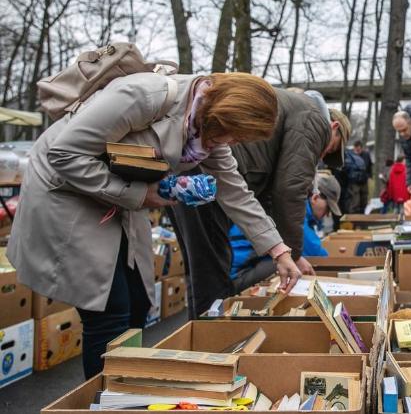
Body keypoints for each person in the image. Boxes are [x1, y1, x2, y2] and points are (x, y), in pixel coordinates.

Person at [7, 72, 300, 379]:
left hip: (115, 198)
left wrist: (278, 250)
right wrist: (140, 194)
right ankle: (104, 399)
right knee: (108, 310)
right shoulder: (143, 96)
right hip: (67, 193)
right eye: (235, 134)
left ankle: (123, 387)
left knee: (137, 302)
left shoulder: (205, 130)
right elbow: (64, 154)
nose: (233, 143)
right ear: (223, 113)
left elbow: (235, 191)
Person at [169, 92, 351, 319]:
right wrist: (291, 255)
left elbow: (269, 197)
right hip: (211, 178)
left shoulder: (292, 116)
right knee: (212, 274)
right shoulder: (315, 121)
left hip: (196, 172)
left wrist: (286, 250)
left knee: (202, 269)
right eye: (331, 148)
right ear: (332, 126)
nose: (323, 156)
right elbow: (290, 190)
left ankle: (199, 337)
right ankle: (209, 344)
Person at [228, 173, 342, 290]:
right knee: (289, 266)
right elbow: (317, 256)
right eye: (328, 208)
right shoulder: (297, 215)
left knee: (290, 261)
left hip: (240, 268)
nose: (328, 214)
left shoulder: (300, 212)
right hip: (236, 275)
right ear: (315, 198)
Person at [345, 141, 370, 214]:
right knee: (355, 201)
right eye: (356, 150)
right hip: (354, 182)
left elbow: (369, 166)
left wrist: (368, 176)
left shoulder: (366, 155)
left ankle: (362, 216)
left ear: (361, 148)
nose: (357, 152)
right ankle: (353, 219)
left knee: (364, 200)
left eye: (359, 150)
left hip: (364, 181)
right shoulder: (350, 156)